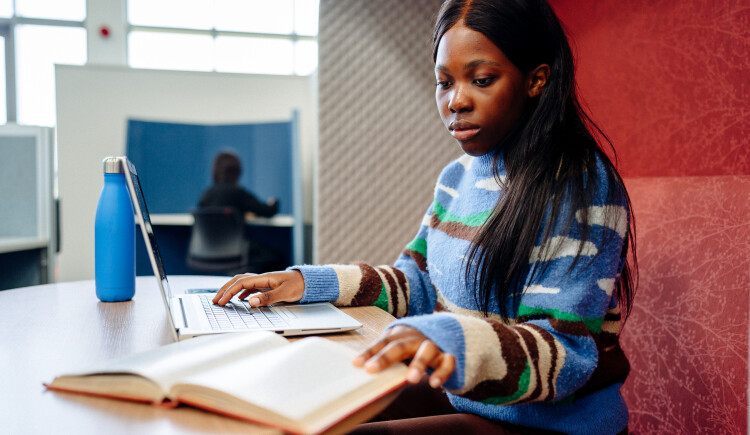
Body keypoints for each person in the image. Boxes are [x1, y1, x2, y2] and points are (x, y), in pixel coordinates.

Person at [213, 0, 637, 433]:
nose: (456, 101)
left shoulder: (582, 188)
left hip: (554, 425)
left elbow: (565, 356)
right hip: (472, 401)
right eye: (443, 82)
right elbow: (414, 285)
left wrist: (447, 338)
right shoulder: (456, 179)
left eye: (482, 79)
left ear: (536, 80)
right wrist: (309, 283)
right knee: (301, 405)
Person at [198, 150, 279, 218]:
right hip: (234, 237)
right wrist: (274, 202)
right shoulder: (238, 193)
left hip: (205, 237)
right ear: (237, 171)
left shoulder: (207, 195)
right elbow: (267, 211)